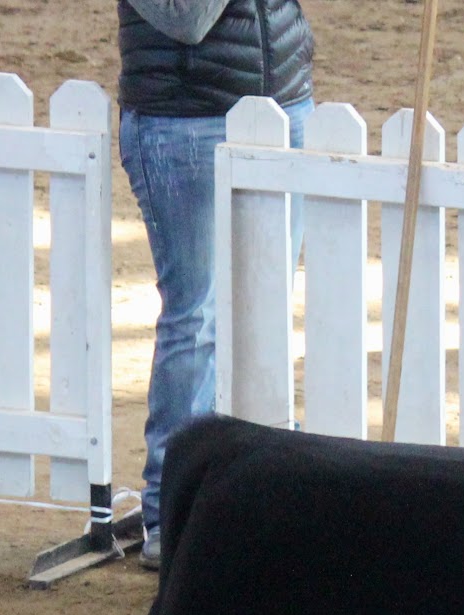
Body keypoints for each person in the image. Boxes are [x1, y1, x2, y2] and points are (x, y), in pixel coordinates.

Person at [117, 0, 315, 568]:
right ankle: (170, 512)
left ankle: (262, 493)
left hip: (281, 103)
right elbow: (188, 18)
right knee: (196, 318)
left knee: (266, 309)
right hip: (185, 119)